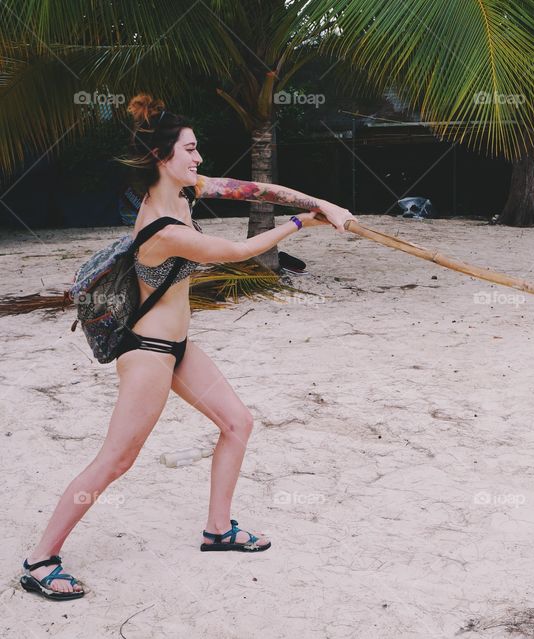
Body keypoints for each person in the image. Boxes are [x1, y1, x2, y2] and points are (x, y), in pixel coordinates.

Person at [19, 94, 356, 600]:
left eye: (197, 150)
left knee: (237, 423)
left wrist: (318, 202)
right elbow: (238, 252)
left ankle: (217, 530)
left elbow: (260, 188)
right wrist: (304, 223)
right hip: (149, 351)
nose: (199, 159)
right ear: (162, 157)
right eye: (191, 150)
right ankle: (40, 560)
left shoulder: (187, 191)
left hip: (178, 347)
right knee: (116, 459)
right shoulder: (164, 226)